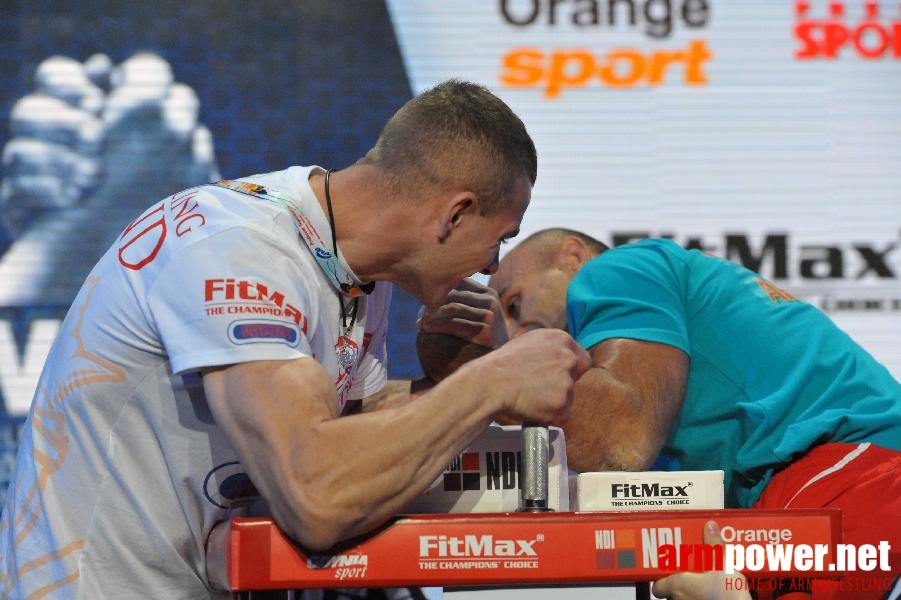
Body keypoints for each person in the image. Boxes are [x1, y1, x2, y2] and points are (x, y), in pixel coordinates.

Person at [0, 82, 592, 598]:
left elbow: (351, 429)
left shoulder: (350, 267)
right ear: (454, 214)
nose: (491, 267)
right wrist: (489, 384)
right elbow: (317, 495)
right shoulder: (235, 249)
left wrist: (456, 384)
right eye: (501, 237)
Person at [419, 227, 901, 599]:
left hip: (862, 465)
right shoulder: (637, 348)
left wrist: (486, 365)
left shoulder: (620, 268)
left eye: (515, 301)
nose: (515, 331)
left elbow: (617, 441)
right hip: (802, 487)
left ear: (572, 256)